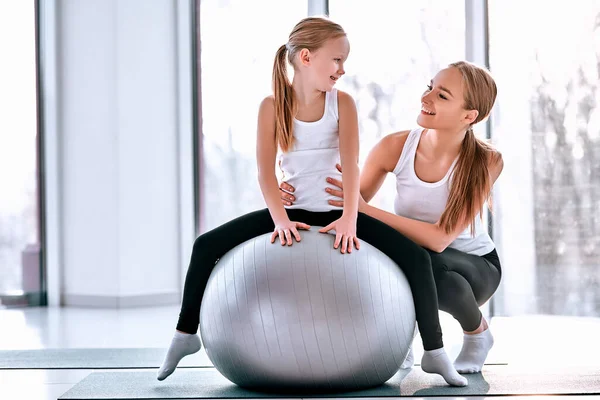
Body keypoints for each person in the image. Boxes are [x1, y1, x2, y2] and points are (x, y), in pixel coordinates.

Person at [158, 17, 467, 387]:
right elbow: (265, 174)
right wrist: (280, 220)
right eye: (336, 59)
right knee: (205, 245)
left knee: (416, 258)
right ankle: (185, 334)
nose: (343, 68)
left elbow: (351, 167)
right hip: (293, 212)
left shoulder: (343, 104)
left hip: (338, 213)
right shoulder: (272, 106)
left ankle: (434, 352)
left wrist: (351, 218)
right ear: (306, 57)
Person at [279, 60, 504, 375]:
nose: (426, 98)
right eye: (430, 87)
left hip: (475, 270)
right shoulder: (395, 147)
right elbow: (348, 206)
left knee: (427, 261)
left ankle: (477, 333)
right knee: (391, 252)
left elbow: (439, 239)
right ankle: (401, 335)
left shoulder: (486, 160)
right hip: (421, 260)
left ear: (469, 116)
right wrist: (294, 193)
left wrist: (365, 209)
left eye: (442, 96)